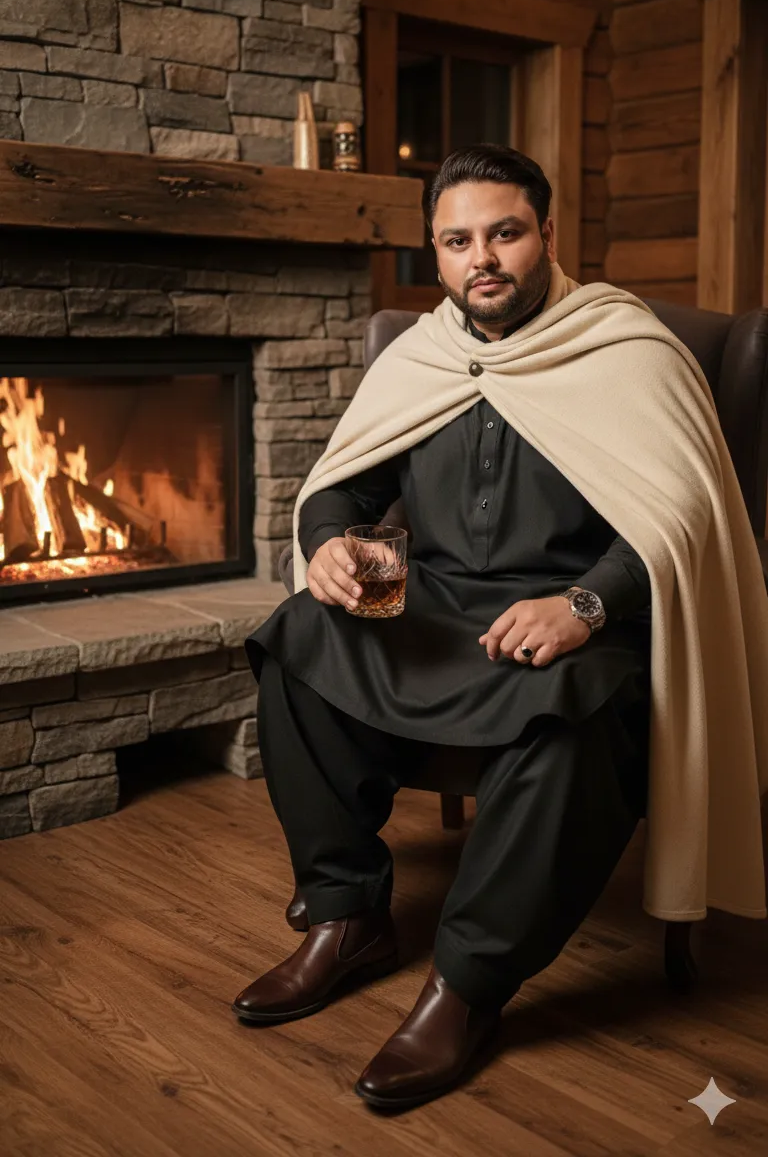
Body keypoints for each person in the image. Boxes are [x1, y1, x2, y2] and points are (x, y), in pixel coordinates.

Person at [232, 145, 658, 1111]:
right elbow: (345, 481)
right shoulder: (423, 354)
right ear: (437, 253)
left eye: (504, 232)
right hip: (431, 600)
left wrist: (586, 604)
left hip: (579, 612)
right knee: (301, 637)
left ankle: (466, 985)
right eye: (458, 241)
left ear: (547, 235)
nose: (484, 259)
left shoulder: (623, 344)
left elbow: (683, 521)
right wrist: (334, 540)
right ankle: (345, 917)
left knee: (574, 714)